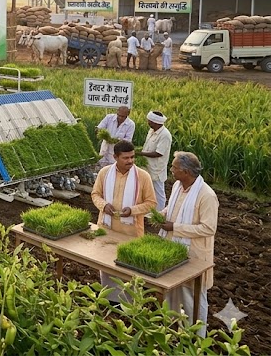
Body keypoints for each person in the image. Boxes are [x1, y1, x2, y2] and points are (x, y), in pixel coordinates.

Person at [159, 151, 218, 337]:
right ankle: (172, 332)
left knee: (193, 297)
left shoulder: (206, 195)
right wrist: (162, 215)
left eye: (174, 167)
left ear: (185, 171)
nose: (171, 169)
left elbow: (208, 228)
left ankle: (197, 338)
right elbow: (173, 207)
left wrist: (175, 227)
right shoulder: (178, 185)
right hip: (172, 249)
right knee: (171, 293)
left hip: (193, 254)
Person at [91, 140, 157, 300]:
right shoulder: (104, 173)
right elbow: (95, 194)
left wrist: (133, 211)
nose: (130, 161)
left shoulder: (143, 176)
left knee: (129, 272)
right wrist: (103, 205)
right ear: (115, 157)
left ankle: (128, 305)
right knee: (106, 267)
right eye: (126, 158)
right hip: (106, 229)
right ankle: (109, 301)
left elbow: (151, 203)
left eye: (132, 157)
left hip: (131, 233)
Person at [139, 110, 173, 211]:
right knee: (147, 188)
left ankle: (160, 212)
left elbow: (159, 153)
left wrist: (141, 154)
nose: (148, 123)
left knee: (158, 191)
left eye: (149, 121)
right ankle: (148, 210)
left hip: (157, 167)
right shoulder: (151, 131)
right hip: (147, 166)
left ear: (155, 122)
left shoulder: (165, 135)